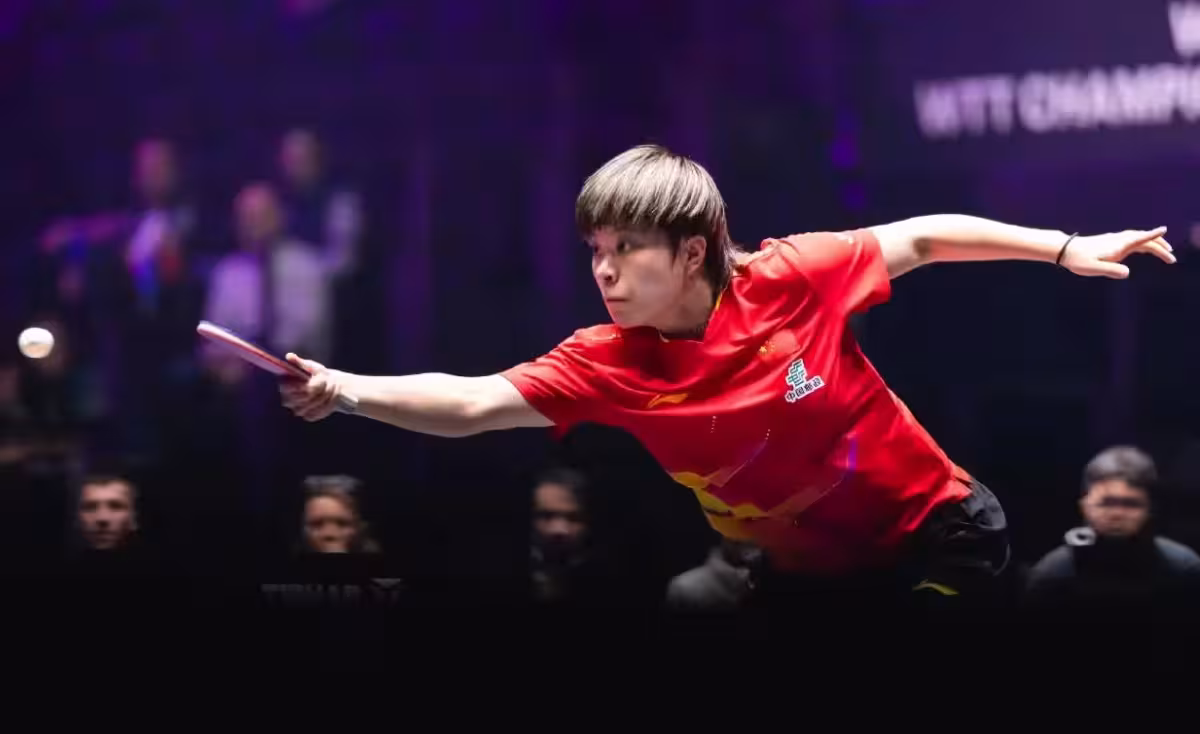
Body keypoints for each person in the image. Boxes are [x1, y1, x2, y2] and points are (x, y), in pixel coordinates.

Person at [279, 144, 1175, 618]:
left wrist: (1064, 247)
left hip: (938, 537)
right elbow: (474, 402)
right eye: (595, 249)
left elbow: (924, 237)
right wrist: (346, 387)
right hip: (803, 576)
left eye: (627, 247)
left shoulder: (790, 276)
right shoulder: (605, 361)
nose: (604, 269)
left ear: (692, 250)